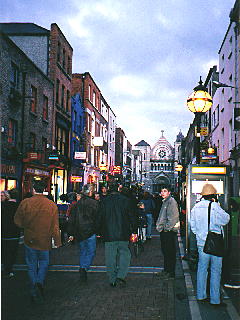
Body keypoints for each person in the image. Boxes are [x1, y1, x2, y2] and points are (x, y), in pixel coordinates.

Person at [14, 179, 61, 303]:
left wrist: (27, 226)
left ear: (33, 189)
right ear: (44, 190)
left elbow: (17, 221)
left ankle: (34, 284)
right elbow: (55, 226)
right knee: (44, 262)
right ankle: (40, 282)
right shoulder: (51, 205)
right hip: (44, 240)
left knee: (31, 264)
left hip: (30, 239)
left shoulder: (26, 203)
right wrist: (57, 241)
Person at [190, 183, 230, 307]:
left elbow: (193, 227)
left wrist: (201, 236)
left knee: (202, 269)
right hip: (215, 244)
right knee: (215, 270)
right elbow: (226, 219)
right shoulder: (215, 206)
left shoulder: (195, 208)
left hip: (202, 244)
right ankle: (215, 299)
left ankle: (201, 296)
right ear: (213, 195)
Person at [96, 183, 137, 287]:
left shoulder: (104, 202)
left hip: (108, 233)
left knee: (110, 256)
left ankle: (112, 279)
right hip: (123, 233)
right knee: (125, 254)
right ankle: (121, 276)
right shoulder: (125, 200)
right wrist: (134, 230)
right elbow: (132, 216)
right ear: (119, 189)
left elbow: (99, 218)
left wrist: (99, 231)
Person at [67, 185, 99, 283]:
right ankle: (84, 268)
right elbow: (98, 219)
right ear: (90, 192)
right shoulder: (95, 204)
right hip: (90, 231)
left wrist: (71, 233)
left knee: (83, 251)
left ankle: (82, 267)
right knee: (91, 251)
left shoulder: (76, 205)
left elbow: (72, 220)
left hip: (79, 232)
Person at [156, 185, 180, 279]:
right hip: (165, 231)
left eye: (165, 191)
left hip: (168, 232)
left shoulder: (171, 202)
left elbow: (173, 217)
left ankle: (170, 272)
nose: (162, 193)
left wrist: (166, 228)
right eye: (162, 191)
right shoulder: (165, 201)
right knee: (166, 252)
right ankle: (167, 270)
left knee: (169, 252)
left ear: (169, 192)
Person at [1, 189, 21, 278]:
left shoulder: (2, 205)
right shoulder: (19, 206)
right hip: (15, 233)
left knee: (5, 251)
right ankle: (10, 269)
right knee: (13, 251)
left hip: (4, 232)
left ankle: (6, 268)